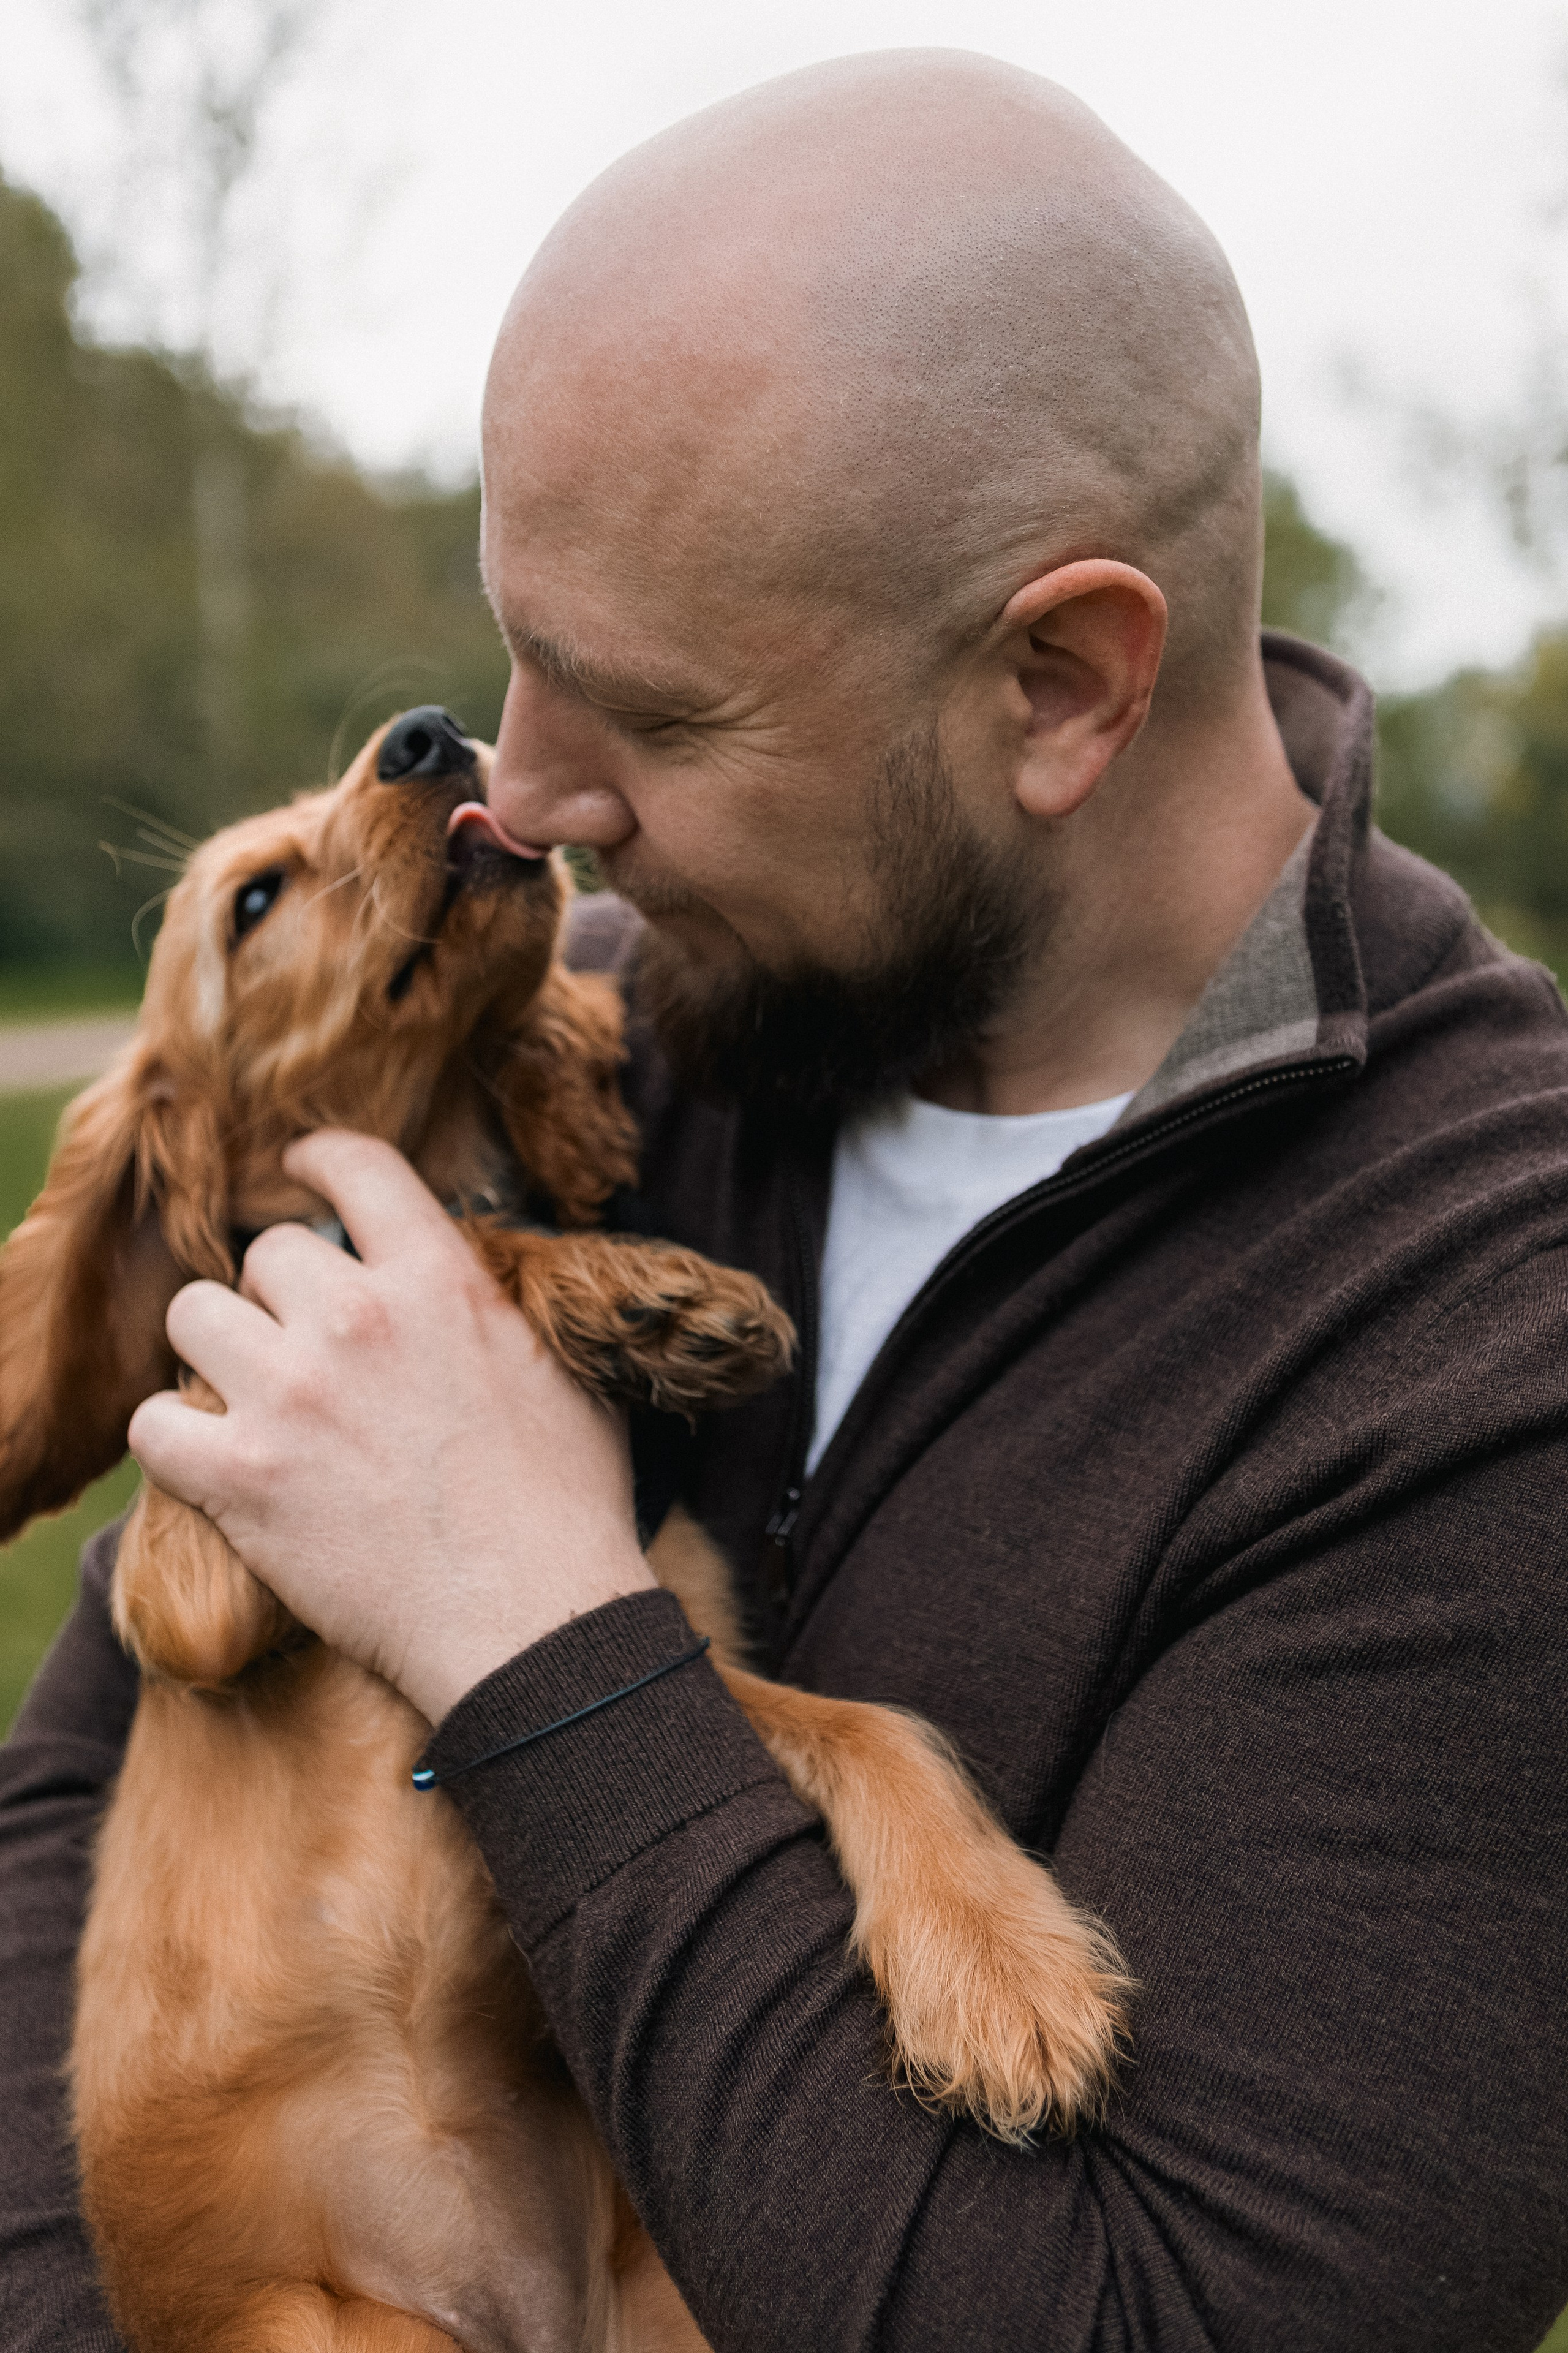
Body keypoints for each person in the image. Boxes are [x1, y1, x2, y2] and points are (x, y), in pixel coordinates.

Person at [4, 48, 1568, 2352]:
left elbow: (1158, 2314)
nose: (517, 802)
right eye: (514, 645)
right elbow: (69, 1804)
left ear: (1060, 682)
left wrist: (533, 1633)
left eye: (650, 710)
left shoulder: (1481, 1331)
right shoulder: (580, 1036)